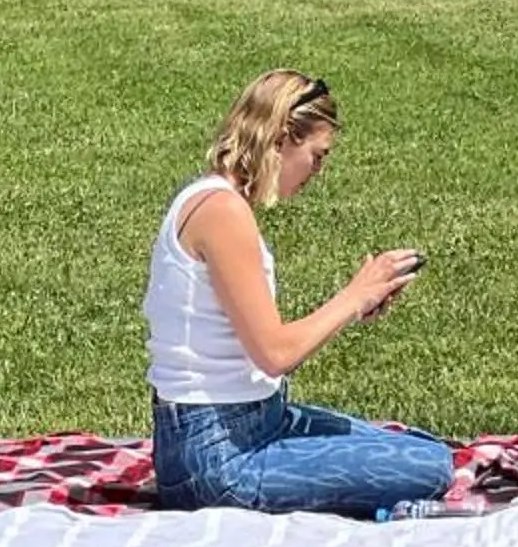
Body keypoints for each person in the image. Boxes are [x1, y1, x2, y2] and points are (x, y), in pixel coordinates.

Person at [146, 70, 455, 517]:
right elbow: (274, 353)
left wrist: (359, 302)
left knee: (416, 445)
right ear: (282, 138)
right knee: (432, 467)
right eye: (316, 155)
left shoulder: (215, 201)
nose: (318, 171)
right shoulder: (222, 212)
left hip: (251, 424)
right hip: (219, 463)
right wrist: (353, 296)